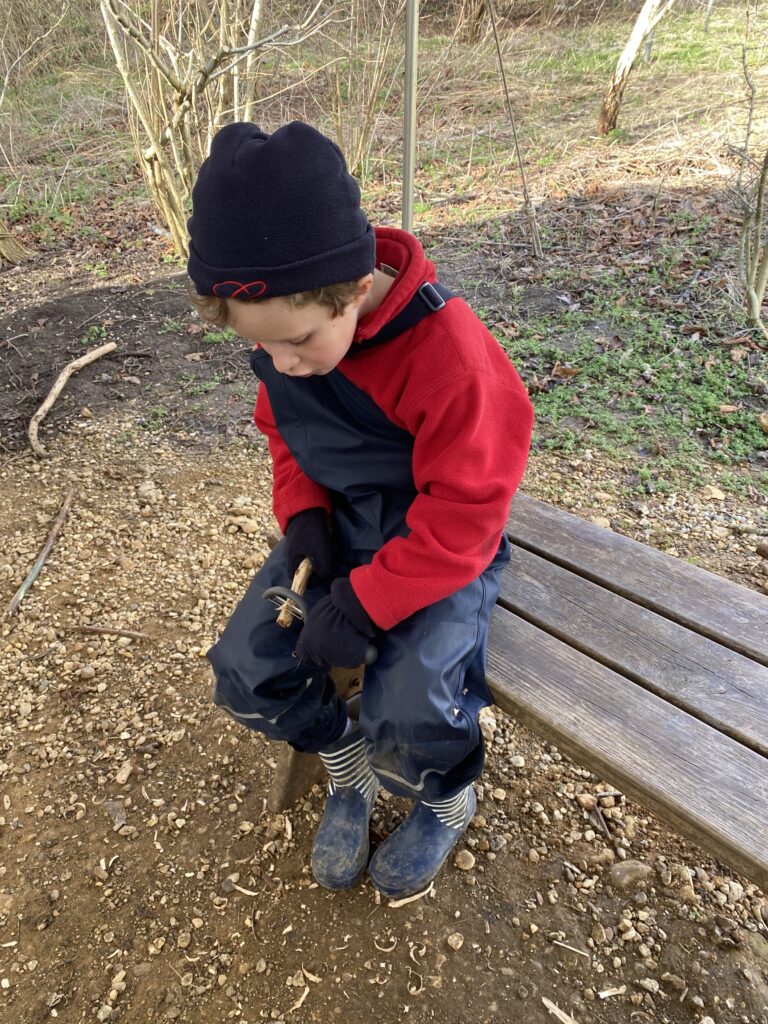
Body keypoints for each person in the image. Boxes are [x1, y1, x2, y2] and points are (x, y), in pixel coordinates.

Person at [187, 121, 534, 898]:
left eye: (299, 342)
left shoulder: (449, 354)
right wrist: (304, 512)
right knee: (247, 669)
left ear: (348, 288)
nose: (284, 363)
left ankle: (446, 799)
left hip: (438, 543)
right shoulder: (295, 340)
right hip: (340, 526)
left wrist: (370, 601)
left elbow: (471, 513)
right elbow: (285, 432)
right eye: (264, 348)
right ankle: (348, 769)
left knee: (410, 709)